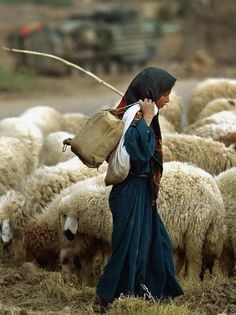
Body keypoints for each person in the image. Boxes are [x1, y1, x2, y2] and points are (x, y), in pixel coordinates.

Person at [95, 67, 183, 310]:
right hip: (131, 190)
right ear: (152, 93)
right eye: (165, 93)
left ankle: (150, 294)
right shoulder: (136, 116)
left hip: (142, 191)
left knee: (156, 243)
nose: (168, 99)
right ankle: (105, 298)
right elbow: (141, 153)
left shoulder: (139, 112)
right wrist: (145, 119)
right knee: (127, 248)